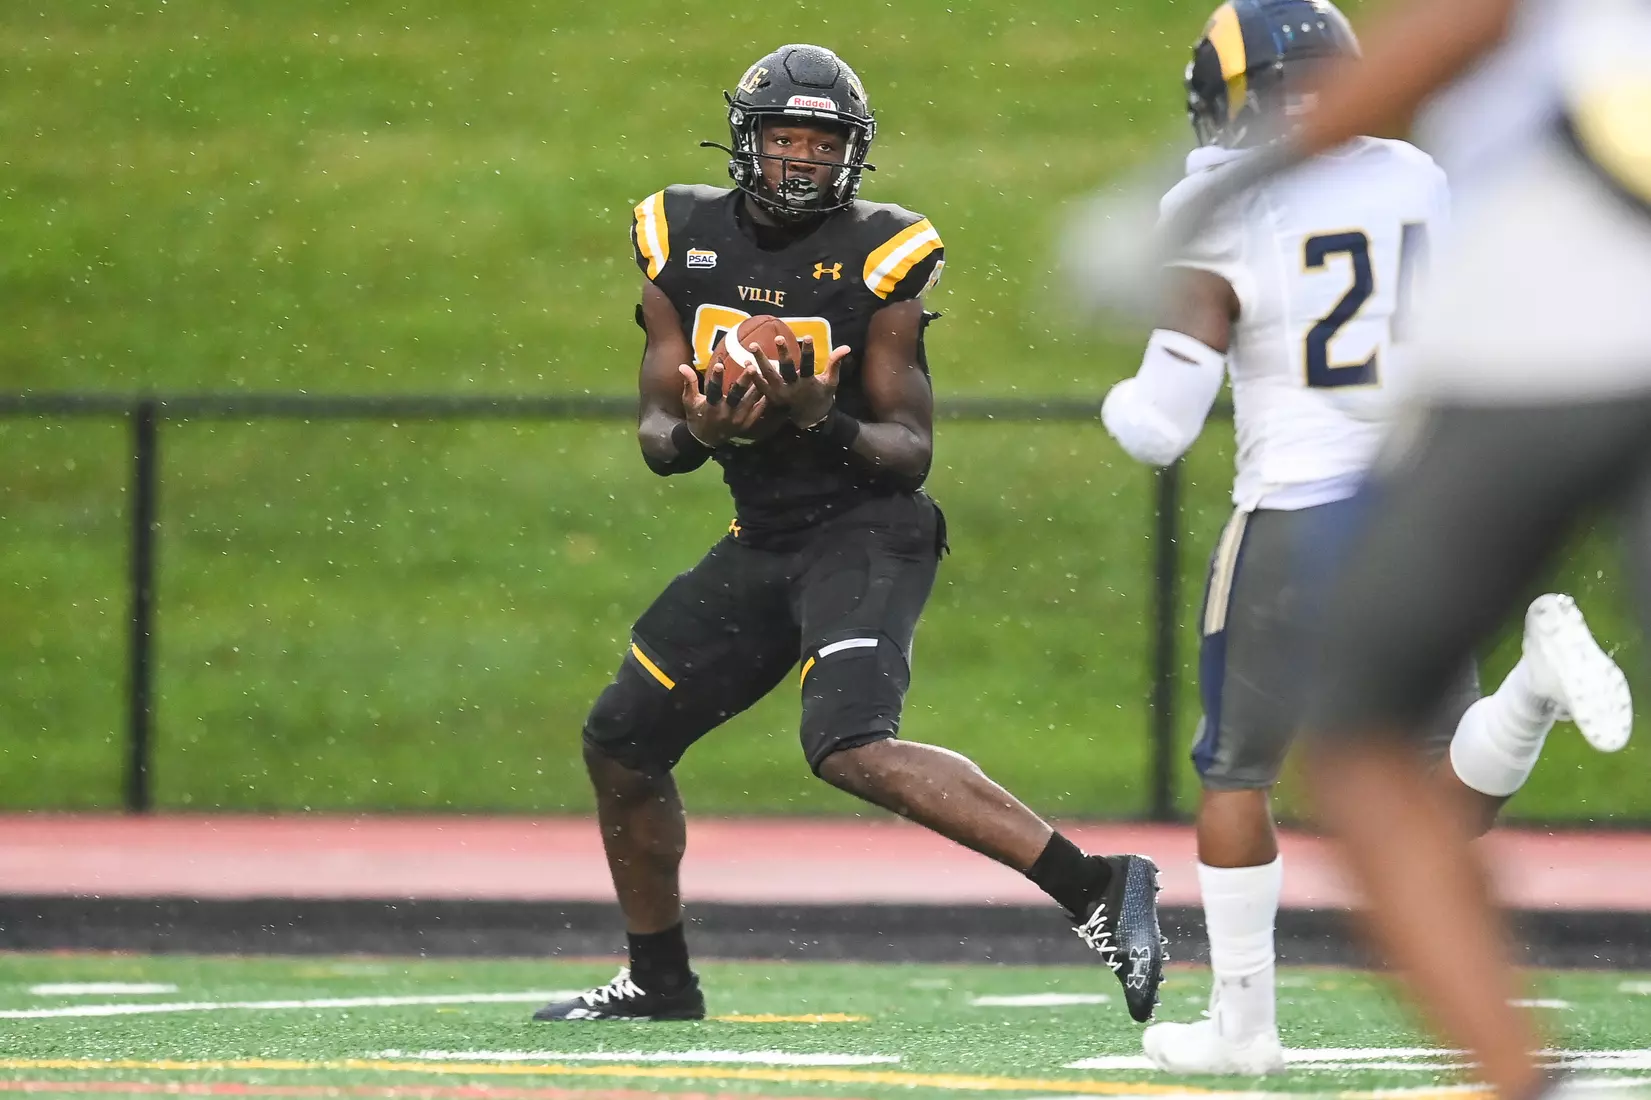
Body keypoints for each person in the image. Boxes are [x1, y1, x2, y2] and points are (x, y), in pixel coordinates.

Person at [1085, 0, 1651, 1094]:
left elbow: (1161, 415)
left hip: (1305, 500)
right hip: (1412, 467)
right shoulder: (1414, 174)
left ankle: (1242, 1021)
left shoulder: (1217, 191)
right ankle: (1529, 690)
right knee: (1436, 788)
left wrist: (1120, 338)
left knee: (1246, 768)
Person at [534, 43, 1165, 1025]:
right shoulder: (678, 239)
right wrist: (703, 427)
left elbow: (907, 450)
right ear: (745, 142)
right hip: (764, 535)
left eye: (820, 145)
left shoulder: (880, 255)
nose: (800, 163)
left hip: (870, 530)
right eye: (784, 139)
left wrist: (810, 420)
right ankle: (658, 981)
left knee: (849, 744)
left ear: (852, 156)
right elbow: (662, 439)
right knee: (620, 742)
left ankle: (1099, 885)